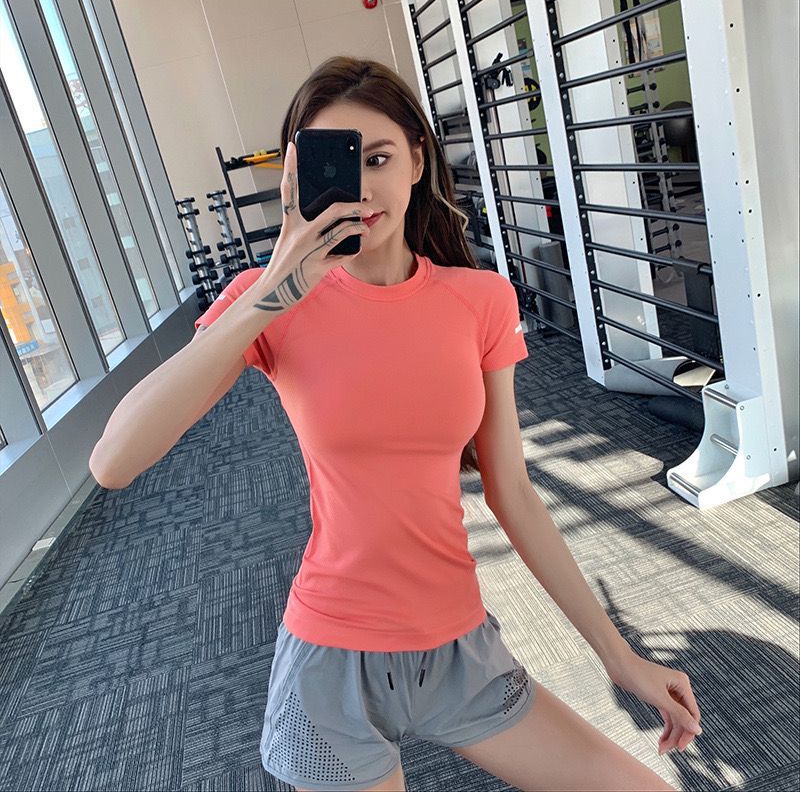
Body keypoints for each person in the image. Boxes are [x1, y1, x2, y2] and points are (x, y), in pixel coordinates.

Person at [194, 57, 695, 792]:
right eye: (339, 165)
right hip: (332, 665)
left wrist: (620, 659)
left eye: (379, 158)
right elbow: (115, 459)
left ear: (418, 160)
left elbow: (511, 491)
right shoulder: (270, 301)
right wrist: (274, 285)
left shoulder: (480, 299)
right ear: (299, 177)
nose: (361, 188)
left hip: (462, 651)